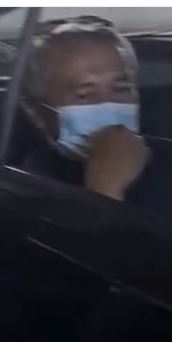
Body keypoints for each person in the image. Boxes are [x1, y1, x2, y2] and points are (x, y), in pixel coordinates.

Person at [22, 16, 166, 214]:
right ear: (36, 113)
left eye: (121, 88)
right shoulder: (33, 185)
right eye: (84, 95)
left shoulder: (164, 158)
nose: (108, 105)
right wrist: (106, 187)